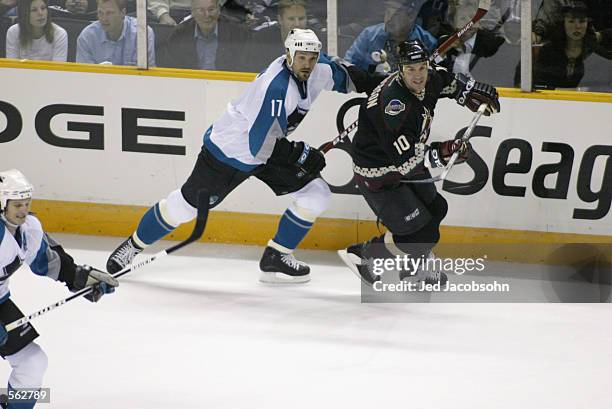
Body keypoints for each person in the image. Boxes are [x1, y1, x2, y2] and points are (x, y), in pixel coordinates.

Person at [106, 29, 382, 284]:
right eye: (301, 58)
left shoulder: (319, 70)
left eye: (312, 58)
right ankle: (133, 245)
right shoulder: (276, 88)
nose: (307, 64)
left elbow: (347, 76)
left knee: (316, 194)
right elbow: (258, 145)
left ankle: (276, 257)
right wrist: (300, 153)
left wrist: (380, 84)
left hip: (266, 145)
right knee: (183, 207)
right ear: (288, 55)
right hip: (230, 151)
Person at [338, 40, 500, 286]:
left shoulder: (429, 77)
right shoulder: (395, 105)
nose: (418, 75)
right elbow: (407, 163)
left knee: (437, 209)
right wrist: (444, 152)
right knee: (422, 233)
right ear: (400, 70)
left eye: (421, 67)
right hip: (379, 174)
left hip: (400, 163)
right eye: (411, 69)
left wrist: (469, 91)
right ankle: (363, 254)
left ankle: (413, 270)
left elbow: (447, 82)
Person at [0, 169, 118, 409]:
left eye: (26, 203)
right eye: (17, 205)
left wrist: (81, 278)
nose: (23, 210)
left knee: (33, 362)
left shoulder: (30, 229)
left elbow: (49, 260)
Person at [344, 0, 437, 73]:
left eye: (395, 14)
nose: (388, 19)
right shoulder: (368, 35)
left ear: (411, 16)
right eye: (387, 11)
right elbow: (349, 66)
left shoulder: (427, 42)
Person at [156, 0, 248, 71]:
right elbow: (172, 70)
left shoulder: (238, 33)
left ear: (219, 10)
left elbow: (244, 68)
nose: (207, 15)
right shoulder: (178, 35)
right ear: (192, 13)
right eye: (201, 10)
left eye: (211, 9)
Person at [76, 0, 155, 66]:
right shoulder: (87, 37)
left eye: (109, 13)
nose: (104, 19)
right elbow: (85, 76)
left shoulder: (142, 33)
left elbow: (148, 74)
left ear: (123, 13)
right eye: (100, 13)